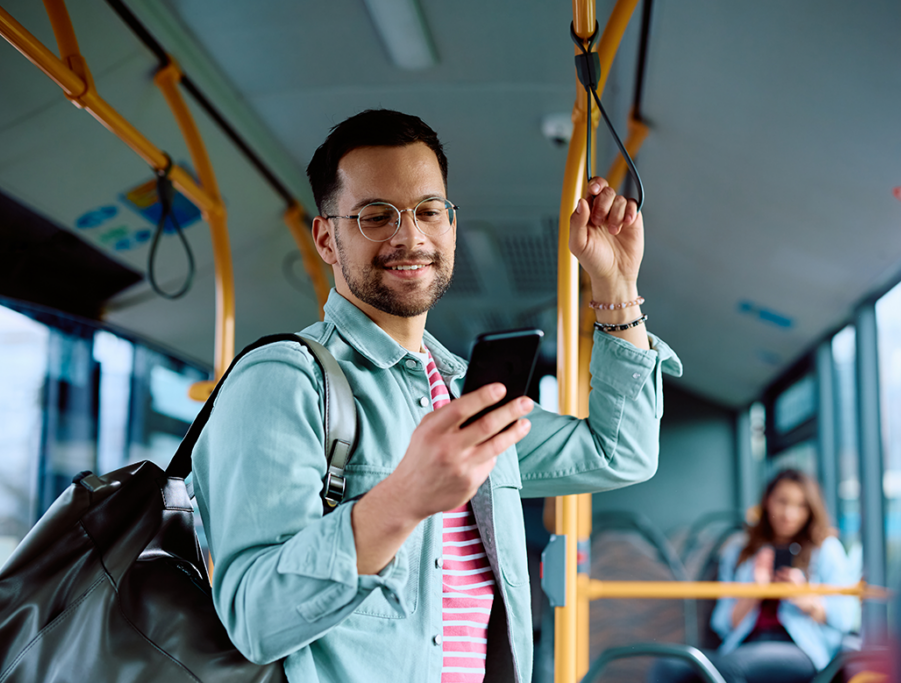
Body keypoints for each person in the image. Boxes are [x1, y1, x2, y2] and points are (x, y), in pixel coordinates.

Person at [191, 109, 681, 683]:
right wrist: (403, 500)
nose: (411, 237)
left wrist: (616, 286)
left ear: (450, 223)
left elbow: (619, 451)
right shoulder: (282, 379)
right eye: (377, 216)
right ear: (327, 238)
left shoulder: (461, 392)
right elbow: (254, 618)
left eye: (429, 211)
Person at [651, 469, 857, 683]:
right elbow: (722, 623)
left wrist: (807, 600)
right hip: (743, 646)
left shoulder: (825, 549)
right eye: (782, 501)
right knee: (670, 665)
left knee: (728, 669)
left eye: (801, 505)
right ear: (767, 501)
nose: (789, 513)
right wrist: (755, 591)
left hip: (800, 649)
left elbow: (845, 617)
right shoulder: (740, 550)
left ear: (811, 509)